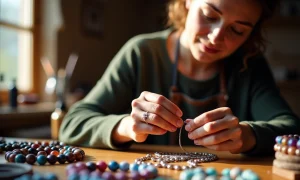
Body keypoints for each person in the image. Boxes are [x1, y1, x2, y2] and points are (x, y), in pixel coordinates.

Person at [60, 0, 300, 156]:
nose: (216, 37)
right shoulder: (141, 53)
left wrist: (247, 135)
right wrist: (126, 126)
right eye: (209, 15)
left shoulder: (250, 66)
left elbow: (292, 129)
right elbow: (73, 124)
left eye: (237, 30)